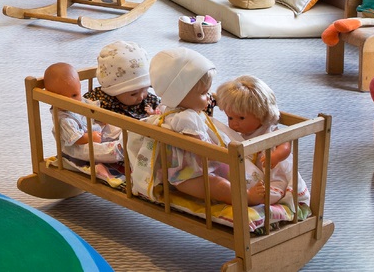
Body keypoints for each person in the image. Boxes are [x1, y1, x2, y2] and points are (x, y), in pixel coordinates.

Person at [129, 46, 266, 206]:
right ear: (179, 94)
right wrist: (222, 154)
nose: (208, 97)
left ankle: (246, 185)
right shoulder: (187, 118)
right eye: (203, 93)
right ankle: (246, 197)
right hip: (188, 175)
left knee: (225, 177)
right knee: (216, 185)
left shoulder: (171, 109)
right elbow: (200, 147)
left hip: (193, 169)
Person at [214, 75, 310, 211]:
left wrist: (277, 155)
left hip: (275, 177)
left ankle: (256, 199)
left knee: (272, 192)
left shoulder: (269, 131)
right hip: (254, 176)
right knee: (225, 182)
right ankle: (248, 194)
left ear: (261, 113)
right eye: (230, 118)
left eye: (241, 118)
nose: (234, 123)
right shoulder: (242, 135)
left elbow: (286, 144)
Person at [42, 62, 125, 187]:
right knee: (96, 150)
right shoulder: (64, 119)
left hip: (94, 131)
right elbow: (77, 139)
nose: (73, 101)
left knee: (116, 127)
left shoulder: (79, 101)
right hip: (78, 146)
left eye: (75, 94)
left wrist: (99, 117)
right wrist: (90, 137)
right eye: (64, 97)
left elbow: (91, 108)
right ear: (51, 97)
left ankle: (129, 135)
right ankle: (118, 150)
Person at [84, 40, 160, 120]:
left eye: (146, 89)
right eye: (134, 94)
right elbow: (83, 111)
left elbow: (163, 111)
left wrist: (156, 113)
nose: (141, 97)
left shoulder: (149, 101)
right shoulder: (102, 102)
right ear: (114, 91)